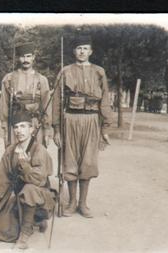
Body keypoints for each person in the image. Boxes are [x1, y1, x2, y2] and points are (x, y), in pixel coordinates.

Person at [52, 35, 112, 218]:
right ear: (73, 51)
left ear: (90, 51)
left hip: (92, 119)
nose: (82, 51)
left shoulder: (99, 72)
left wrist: (105, 128)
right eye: (79, 48)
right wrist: (56, 129)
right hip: (70, 119)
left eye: (85, 48)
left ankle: (83, 203)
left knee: (87, 162)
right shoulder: (65, 71)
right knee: (70, 161)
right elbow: (56, 101)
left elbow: (105, 101)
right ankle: (71, 203)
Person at [0, 111, 55, 249]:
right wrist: (0, 202)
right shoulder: (11, 151)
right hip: (17, 195)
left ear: (31, 129)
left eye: (23, 126)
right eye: (16, 127)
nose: (19, 131)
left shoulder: (39, 150)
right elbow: (1, 178)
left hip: (39, 194)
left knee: (29, 189)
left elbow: (39, 180)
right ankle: (37, 219)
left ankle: (26, 231)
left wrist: (25, 166)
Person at [1, 42, 51, 147]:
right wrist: (5, 130)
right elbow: (4, 107)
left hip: (35, 123)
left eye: (28, 56)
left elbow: (47, 106)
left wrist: (47, 130)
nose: (26, 60)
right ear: (18, 58)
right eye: (22, 57)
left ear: (33, 57)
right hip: (15, 123)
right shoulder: (9, 79)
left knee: (36, 156)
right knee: (14, 156)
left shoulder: (42, 80)